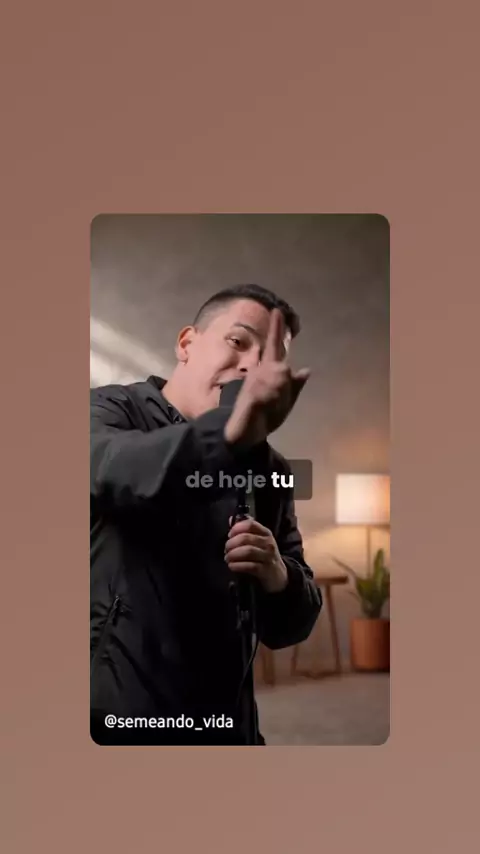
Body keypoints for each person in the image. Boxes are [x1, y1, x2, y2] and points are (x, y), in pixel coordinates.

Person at [90, 283, 322, 745]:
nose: (251, 365)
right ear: (186, 343)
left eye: (269, 357)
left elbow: (291, 625)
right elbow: (115, 466)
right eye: (238, 341)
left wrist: (278, 575)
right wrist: (227, 438)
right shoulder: (110, 410)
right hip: (118, 723)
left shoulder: (272, 470)